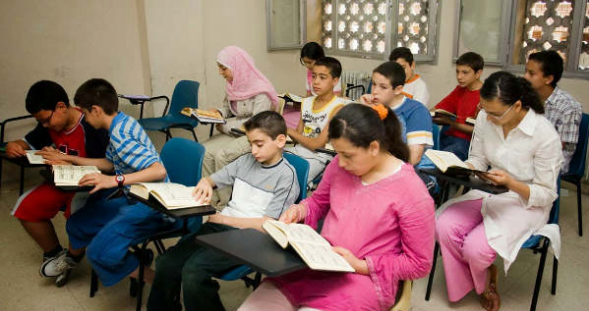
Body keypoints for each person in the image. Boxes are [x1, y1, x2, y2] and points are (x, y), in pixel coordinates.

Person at [238, 103, 435, 311]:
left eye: (348, 155)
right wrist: (299, 211)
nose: (340, 163)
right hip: (316, 264)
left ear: (374, 148)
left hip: (362, 281)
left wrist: (361, 265)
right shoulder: (341, 165)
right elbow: (317, 202)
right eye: (338, 153)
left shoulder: (411, 191)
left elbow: (419, 264)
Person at [147, 111, 300, 311]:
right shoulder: (246, 161)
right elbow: (214, 179)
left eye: (259, 144)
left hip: (252, 238)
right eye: (250, 143)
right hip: (221, 226)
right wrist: (205, 183)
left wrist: (224, 220)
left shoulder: (286, 177)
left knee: (194, 271)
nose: (253, 150)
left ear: (280, 141)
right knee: (167, 262)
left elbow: (267, 225)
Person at [435, 72, 562, 311]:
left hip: (526, 200)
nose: (487, 118)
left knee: (475, 248)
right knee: (443, 226)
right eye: (484, 110)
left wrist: (512, 184)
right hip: (488, 187)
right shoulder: (485, 116)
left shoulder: (544, 135)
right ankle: (481, 282)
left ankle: (483, 278)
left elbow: (547, 193)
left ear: (516, 106)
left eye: (494, 113)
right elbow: (478, 159)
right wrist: (464, 168)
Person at [44, 78, 173, 288]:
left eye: (84, 113)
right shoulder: (120, 123)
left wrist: (114, 181)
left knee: (98, 253)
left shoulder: (121, 135)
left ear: (95, 110)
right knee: (77, 224)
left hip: (153, 207)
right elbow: (109, 163)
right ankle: (139, 260)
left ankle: (160, 282)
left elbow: (158, 170)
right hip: (135, 199)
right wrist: (71, 159)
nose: (84, 119)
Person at [7, 80, 109, 287]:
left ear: (61, 107)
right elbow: (28, 142)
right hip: (61, 182)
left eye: (46, 120)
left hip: (89, 185)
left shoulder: (91, 125)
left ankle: (72, 257)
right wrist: (15, 145)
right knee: (25, 207)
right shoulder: (49, 123)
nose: (44, 126)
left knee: (77, 215)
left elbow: (107, 167)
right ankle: (54, 254)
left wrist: (68, 160)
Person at [202, 46, 279, 207]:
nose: (220, 72)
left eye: (223, 68)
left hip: (254, 136)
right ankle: (210, 199)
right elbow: (226, 108)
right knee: (205, 152)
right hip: (233, 131)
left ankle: (223, 204)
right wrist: (216, 113)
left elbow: (255, 124)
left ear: (237, 66)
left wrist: (224, 126)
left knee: (221, 156)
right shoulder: (234, 84)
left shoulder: (261, 91)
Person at [360, 61, 433, 166]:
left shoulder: (417, 111)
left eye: (383, 87)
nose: (375, 91)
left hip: (414, 173)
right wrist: (363, 111)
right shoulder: (373, 107)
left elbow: (413, 158)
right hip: (377, 166)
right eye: (374, 84)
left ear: (398, 89)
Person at [288, 57, 346, 184]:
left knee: (292, 179)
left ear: (335, 81)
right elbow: (297, 136)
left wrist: (289, 131)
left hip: (319, 156)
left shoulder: (337, 108)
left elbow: (317, 145)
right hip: (298, 150)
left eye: (322, 77)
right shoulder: (306, 102)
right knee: (269, 162)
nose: (316, 82)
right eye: (313, 76)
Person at [524, 50, 582, 172]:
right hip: (528, 155)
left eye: (531, 74)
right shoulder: (527, 97)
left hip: (551, 164)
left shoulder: (568, 107)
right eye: (526, 72)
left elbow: (557, 149)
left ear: (549, 79)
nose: (525, 77)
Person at [432, 52, 484, 160]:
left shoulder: (486, 95)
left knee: (437, 161)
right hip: (448, 137)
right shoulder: (460, 90)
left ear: (478, 73)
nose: (459, 77)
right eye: (457, 71)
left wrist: (451, 123)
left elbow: (479, 131)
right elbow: (437, 109)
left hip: (467, 143)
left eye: (465, 72)